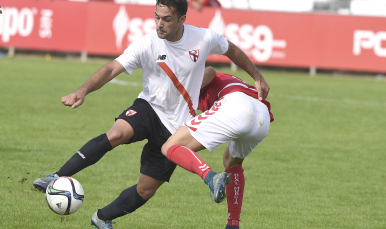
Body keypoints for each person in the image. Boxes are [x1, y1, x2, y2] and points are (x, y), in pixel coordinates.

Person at [32, 0, 270, 228]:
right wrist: (82, 91)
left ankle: (102, 218)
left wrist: (257, 76)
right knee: (117, 134)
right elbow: (111, 68)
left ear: (182, 19)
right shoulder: (146, 43)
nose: (159, 24)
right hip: (149, 107)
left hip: (177, 127)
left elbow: (233, 51)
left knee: (146, 189)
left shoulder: (203, 38)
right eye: (157, 17)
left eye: (167, 19)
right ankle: (55, 176)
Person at [161, 66, 274, 229]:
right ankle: (233, 224)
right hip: (261, 115)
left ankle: (211, 177)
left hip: (235, 105)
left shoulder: (186, 76)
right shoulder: (218, 83)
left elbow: (210, 71)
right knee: (231, 161)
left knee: (170, 146)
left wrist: (179, 89)